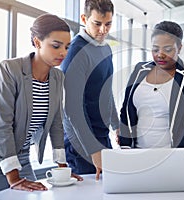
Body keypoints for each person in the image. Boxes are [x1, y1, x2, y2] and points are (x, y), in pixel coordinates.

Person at [0, 13, 82, 197]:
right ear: (37, 42)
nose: (63, 52)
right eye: (56, 46)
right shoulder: (9, 70)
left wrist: (62, 170)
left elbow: (56, 124)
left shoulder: (57, 77)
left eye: (67, 47)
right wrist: (13, 177)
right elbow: (0, 125)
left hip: (22, 156)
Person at [119, 21, 184, 152]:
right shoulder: (139, 70)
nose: (160, 54)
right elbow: (126, 111)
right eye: (155, 49)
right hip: (137, 154)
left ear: (179, 47)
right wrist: (125, 147)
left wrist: (178, 157)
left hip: (174, 155)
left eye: (167, 49)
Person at [60, 0, 119, 180]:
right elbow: (72, 108)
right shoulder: (75, 52)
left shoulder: (106, 49)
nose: (103, 30)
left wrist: (116, 125)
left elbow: (106, 92)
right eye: (97, 24)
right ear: (84, 19)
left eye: (108, 24)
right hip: (80, 143)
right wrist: (93, 150)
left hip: (102, 136)